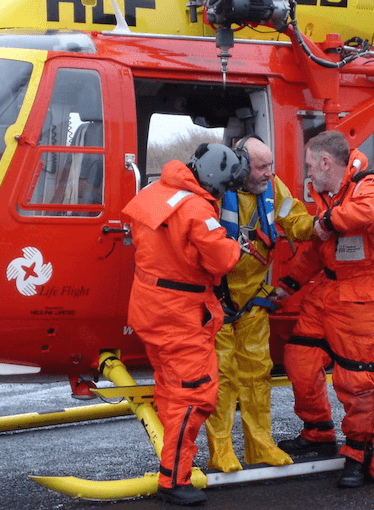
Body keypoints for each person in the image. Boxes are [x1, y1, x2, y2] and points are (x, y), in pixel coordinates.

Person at [273, 130, 374, 488]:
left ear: (327, 162)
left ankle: (357, 454)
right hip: (330, 291)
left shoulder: (366, 189)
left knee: (356, 381)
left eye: (310, 165)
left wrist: (328, 222)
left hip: (366, 296)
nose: (308, 173)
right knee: (299, 357)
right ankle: (318, 432)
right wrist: (287, 287)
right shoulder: (330, 196)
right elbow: (317, 249)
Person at [122, 143, 247, 506]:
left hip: (150, 308)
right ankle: (173, 479)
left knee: (170, 388)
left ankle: (171, 466)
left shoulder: (155, 191)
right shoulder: (196, 208)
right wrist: (235, 244)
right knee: (195, 394)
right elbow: (222, 260)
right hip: (180, 315)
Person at [206, 136, 315, 473]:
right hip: (218, 301)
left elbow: (294, 220)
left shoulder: (272, 188)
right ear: (240, 165)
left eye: (271, 165)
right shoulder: (215, 189)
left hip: (253, 301)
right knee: (222, 376)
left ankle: (260, 445)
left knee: (257, 374)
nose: (269, 173)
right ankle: (221, 450)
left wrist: (319, 226)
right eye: (262, 167)